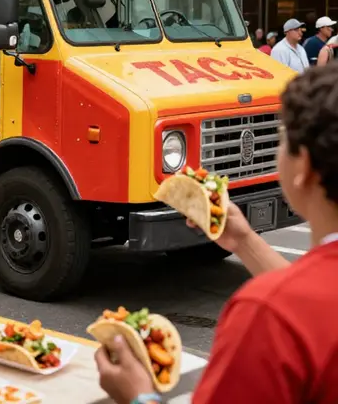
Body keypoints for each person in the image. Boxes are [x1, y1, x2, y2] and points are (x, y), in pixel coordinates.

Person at [95, 62, 338, 404]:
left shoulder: (266, 312)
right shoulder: (293, 303)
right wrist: (243, 240)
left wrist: (138, 397)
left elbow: (297, 308)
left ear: (306, 168)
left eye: (283, 139)